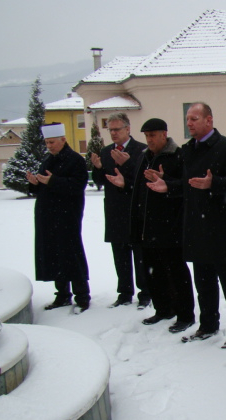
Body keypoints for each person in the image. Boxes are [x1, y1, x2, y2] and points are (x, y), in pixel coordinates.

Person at [148, 103, 226, 349]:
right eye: (187, 119)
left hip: (222, 228)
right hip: (197, 227)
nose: (189, 123)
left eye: (194, 118)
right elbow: (187, 184)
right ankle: (208, 325)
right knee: (203, 282)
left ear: (209, 120)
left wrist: (214, 183)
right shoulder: (188, 149)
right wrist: (168, 185)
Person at [106, 118, 195, 333]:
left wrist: (168, 183)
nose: (149, 140)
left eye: (153, 135)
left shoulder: (177, 156)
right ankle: (163, 309)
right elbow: (141, 188)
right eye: (146, 136)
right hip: (146, 228)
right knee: (153, 273)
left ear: (164, 134)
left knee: (176, 273)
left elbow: (187, 186)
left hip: (170, 227)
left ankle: (185, 315)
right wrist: (125, 184)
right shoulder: (144, 157)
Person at [26, 123, 91, 313]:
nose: (49, 146)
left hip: (67, 216)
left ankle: (82, 296)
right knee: (54, 255)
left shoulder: (75, 160)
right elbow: (43, 186)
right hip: (48, 216)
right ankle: (62, 294)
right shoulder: (48, 159)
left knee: (71, 255)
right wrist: (35, 183)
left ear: (63, 140)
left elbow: (77, 185)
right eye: (47, 142)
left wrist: (52, 181)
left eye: (52, 142)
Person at [91, 113, 151, 309]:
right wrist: (98, 168)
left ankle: (145, 293)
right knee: (120, 255)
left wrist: (126, 179)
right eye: (111, 130)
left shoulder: (141, 150)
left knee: (140, 256)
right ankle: (124, 293)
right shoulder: (106, 151)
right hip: (114, 211)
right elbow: (101, 181)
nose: (113, 133)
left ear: (128, 129)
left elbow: (144, 181)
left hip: (135, 211)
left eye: (117, 129)